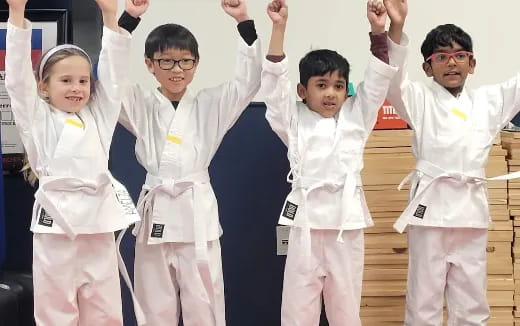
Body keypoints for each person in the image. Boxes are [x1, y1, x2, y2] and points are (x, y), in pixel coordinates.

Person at [117, 0, 262, 324]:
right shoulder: (139, 103)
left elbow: (248, 82)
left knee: (205, 309)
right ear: (149, 64)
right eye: (166, 62)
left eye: (185, 61)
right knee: (154, 312)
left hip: (198, 220)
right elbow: (109, 78)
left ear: (196, 64)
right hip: (155, 220)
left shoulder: (211, 104)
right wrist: (128, 20)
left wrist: (242, 20)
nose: (177, 70)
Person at [261, 1, 399, 325]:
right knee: (297, 310)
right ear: (302, 90)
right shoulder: (293, 119)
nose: (331, 94)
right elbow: (272, 90)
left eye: (338, 86)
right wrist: (279, 29)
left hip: (345, 226)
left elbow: (377, 83)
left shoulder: (356, 116)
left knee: (346, 310)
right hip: (305, 226)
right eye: (321, 85)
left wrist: (379, 31)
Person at [4, 0, 139, 325]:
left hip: (98, 226)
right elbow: (17, 80)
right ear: (43, 87)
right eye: (66, 81)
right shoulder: (37, 118)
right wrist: (17, 12)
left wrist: (110, 15)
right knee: (56, 313)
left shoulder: (99, 117)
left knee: (105, 313)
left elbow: (114, 77)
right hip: (56, 228)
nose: (77, 88)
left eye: (83, 81)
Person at [385, 0, 520, 324]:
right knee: (424, 299)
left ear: (472, 63)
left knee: (472, 302)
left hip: (470, 213)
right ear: (427, 68)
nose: (452, 63)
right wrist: (396, 27)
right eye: (441, 57)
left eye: (460, 55)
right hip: (430, 210)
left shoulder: (489, 101)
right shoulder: (418, 99)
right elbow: (391, 81)